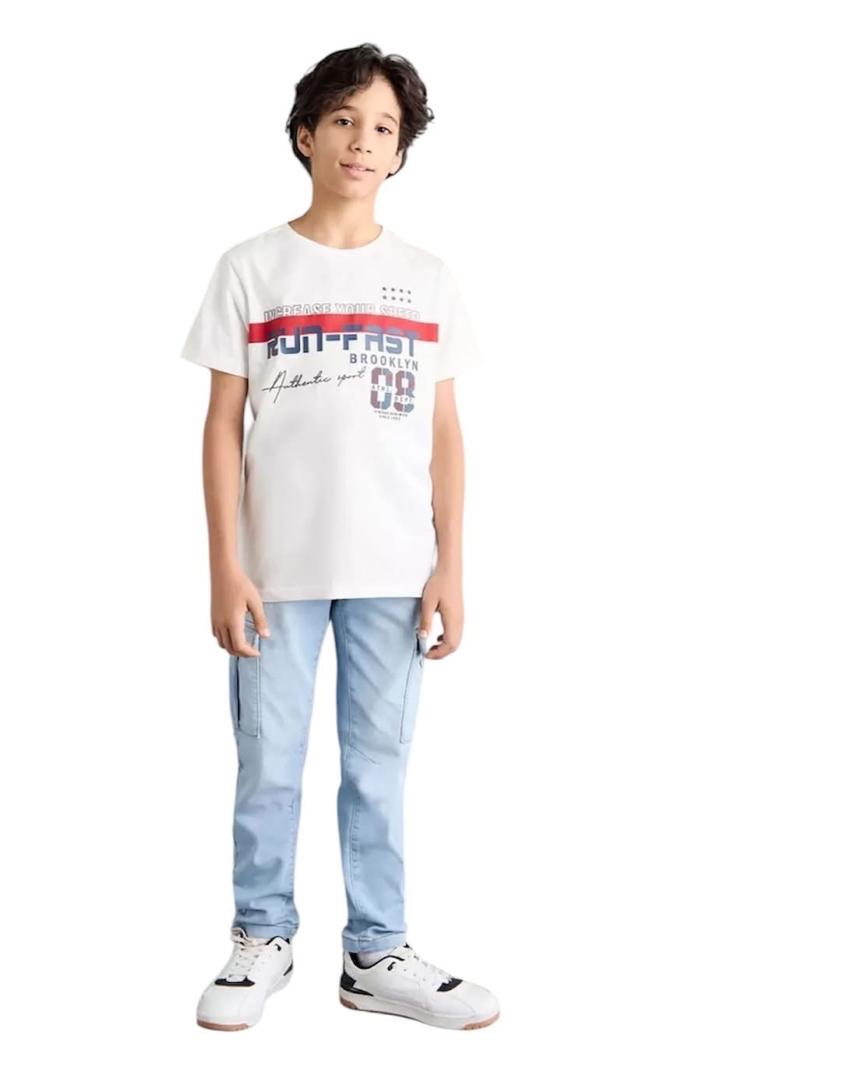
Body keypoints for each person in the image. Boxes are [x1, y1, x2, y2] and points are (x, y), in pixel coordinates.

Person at [180, 42, 499, 1032]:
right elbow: (222, 427)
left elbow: (445, 434)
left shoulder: (426, 278)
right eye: (345, 120)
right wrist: (224, 565)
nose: (363, 141)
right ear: (306, 134)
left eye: (384, 128)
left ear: (401, 153)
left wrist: (451, 565)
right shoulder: (251, 268)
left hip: (395, 571)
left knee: (377, 766)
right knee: (269, 763)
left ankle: (376, 951)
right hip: (274, 571)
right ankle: (261, 936)